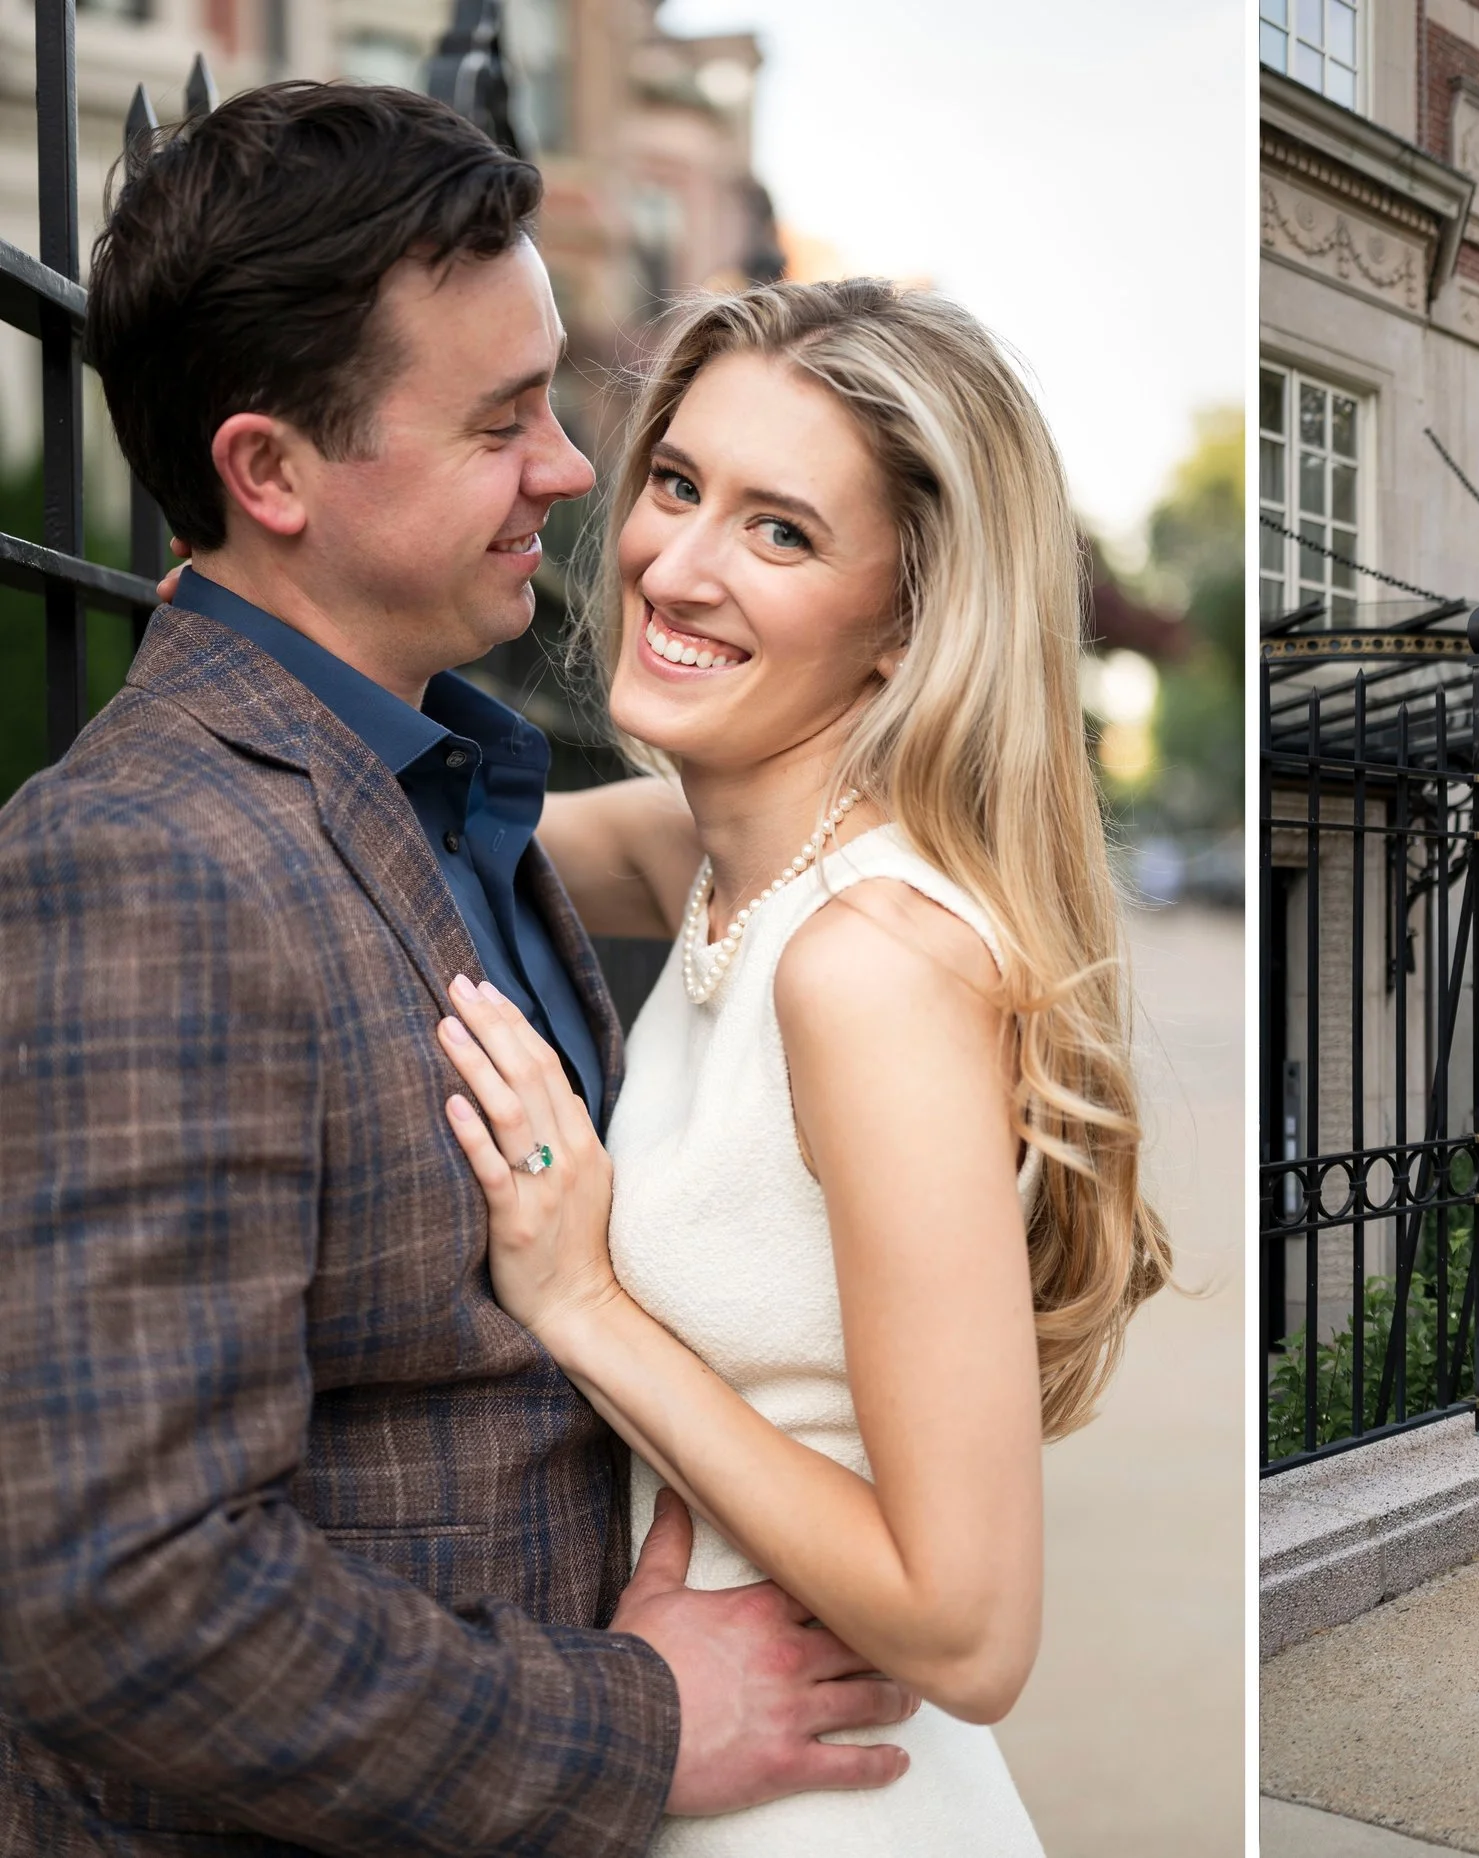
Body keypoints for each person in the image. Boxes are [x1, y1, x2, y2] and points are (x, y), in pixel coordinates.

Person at [0, 84, 914, 1853]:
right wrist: (633, 1723)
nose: (576, 474)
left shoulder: (438, 790)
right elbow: (120, 1591)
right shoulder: (142, 866)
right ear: (271, 471)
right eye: (504, 422)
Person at [425, 275, 1172, 1852]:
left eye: (781, 532)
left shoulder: (869, 968)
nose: (674, 566)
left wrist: (586, 1309)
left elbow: (972, 1629)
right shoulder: (710, 863)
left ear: (907, 621)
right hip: (701, 1763)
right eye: (680, 485)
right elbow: (412, 835)